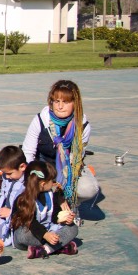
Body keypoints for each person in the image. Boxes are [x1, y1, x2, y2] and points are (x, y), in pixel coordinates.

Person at [22, 79, 99, 209]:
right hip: (43, 166)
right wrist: (36, 176)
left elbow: (76, 158)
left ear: (75, 103)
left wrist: (62, 185)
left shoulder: (83, 125)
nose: (60, 106)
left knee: (88, 188)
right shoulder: (40, 120)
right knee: (31, 183)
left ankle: (70, 204)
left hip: (69, 166)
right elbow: (28, 153)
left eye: (66, 102)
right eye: (56, 101)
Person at [10, 161, 79, 259]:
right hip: (32, 233)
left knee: (73, 228)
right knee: (23, 235)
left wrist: (64, 219)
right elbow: (30, 223)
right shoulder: (23, 199)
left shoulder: (51, 194)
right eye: (52, 180)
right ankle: (58, 247)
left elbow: (54, 216)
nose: (54, 183)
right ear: (43, 184)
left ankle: (44, 250)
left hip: (48, 229)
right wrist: (45, 235)